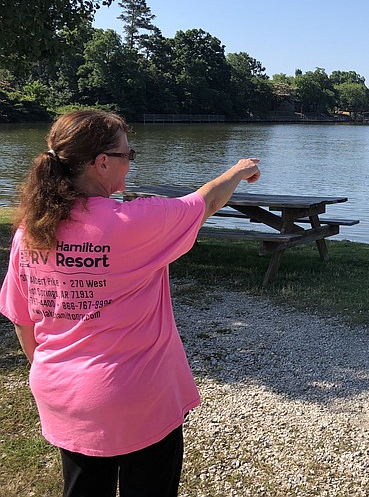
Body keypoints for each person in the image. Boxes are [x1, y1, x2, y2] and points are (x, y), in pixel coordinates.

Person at [0, 109, 260, 497]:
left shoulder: (30, 230)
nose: (130, 165)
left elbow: (22, 320)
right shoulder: (133, 221)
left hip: (61, 394)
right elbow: (205, 203)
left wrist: (60, 376)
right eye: (128, 155)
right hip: (138, 398)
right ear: (102, 163)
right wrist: (239, 170)